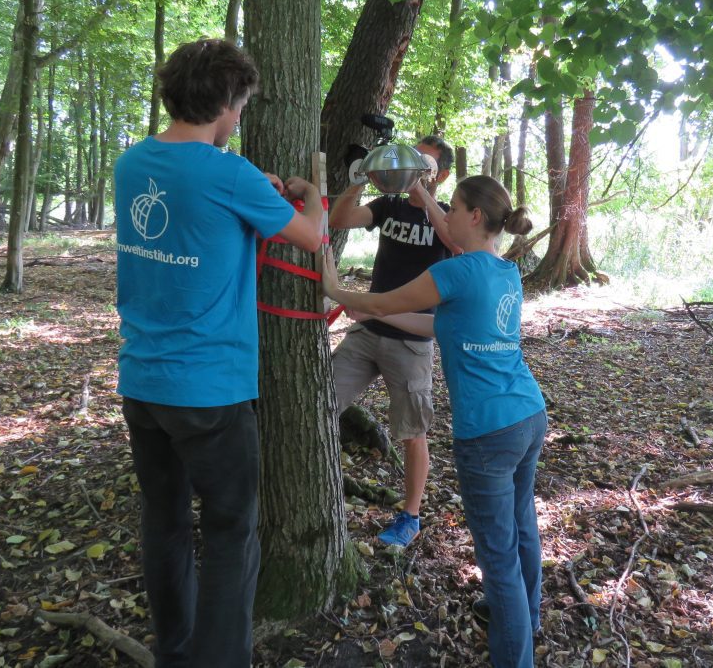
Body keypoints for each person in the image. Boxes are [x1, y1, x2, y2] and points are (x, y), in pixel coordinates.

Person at [113, 38, 323, 668]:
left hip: (142, 383)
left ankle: (176, 653)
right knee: (232, 532)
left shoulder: (131, 164)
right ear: (226, 104)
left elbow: (191, 203)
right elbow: (310, 237)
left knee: (166, 521)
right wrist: (308, 193)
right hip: (210, 391)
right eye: (241, 107)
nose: (240, 119)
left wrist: (248, 185)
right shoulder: (229, 174)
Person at [322, 175, 547, 668]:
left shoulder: (456, 273)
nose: (442, 217)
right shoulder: (505, 272)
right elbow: (436, 324)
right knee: (521, 526)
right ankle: (527, 619)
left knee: (498, 557)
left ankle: (515, 654)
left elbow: (385, 300)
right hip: (529, 416)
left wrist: (338, 290)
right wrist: (367, 318)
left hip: (488, 433)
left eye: (452, 209)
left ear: (471, 217)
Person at [328, 135, 460, 547]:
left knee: (411, 431)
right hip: (368, 332)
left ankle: (410, 515)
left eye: (425, 162)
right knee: (323, 401)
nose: (414, 166)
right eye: (411, 159)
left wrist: (421, 189)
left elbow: (458, 245)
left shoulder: (450, 217)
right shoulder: (389, 206)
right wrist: (361, 177)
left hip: (412, 342)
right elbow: (338, 220)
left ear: (443, 173)